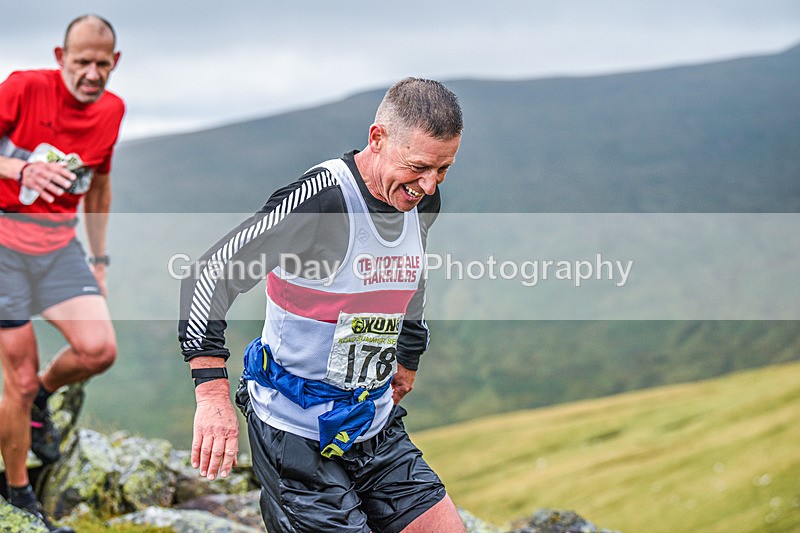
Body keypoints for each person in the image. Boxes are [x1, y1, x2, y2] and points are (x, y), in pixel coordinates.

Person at [179, 77, 466, 532]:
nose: (428, 186)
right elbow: (211, 273)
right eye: (418, 167)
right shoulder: (322, 201)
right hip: (294, 433)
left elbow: (412, 273)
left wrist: (408, 356)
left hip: (371, 423)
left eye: (443, 170)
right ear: (378, 138)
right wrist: (212, 393)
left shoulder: (419, 200)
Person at [0, 14, 124, 532]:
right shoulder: (25, 88)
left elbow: (97, 187)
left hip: (58, 247)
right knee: (18, 380)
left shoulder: (112, 111)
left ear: (114, 63)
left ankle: (45, 398)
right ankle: (17, 490)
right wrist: (20, 169)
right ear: (60, 58)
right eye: (81, 62)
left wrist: (98, 260)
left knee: (99, 350)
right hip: (3, 240)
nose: (91, 73)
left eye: (102, 63)